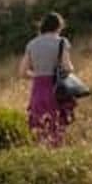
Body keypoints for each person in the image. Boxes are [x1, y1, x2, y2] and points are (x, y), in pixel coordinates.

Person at [18, 12, 76, 147]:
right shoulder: (62, 42)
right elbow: (67, 67)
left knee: (40, 129)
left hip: (38, 91)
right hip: (57, 90)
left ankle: (43, 158)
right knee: (57, 129)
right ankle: (57, 160)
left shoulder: (32, 44)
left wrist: (37, 75)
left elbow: (22, 72)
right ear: (58, 26)